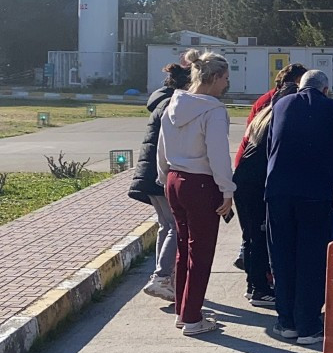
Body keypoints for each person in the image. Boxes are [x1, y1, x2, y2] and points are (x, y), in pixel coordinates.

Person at [265, 70, 333, 345]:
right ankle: (308, 325)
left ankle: (287, 321)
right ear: (325, 90)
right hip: (314, 194)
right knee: (311, 258)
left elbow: (271, 145)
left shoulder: (281, 104)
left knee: (282, 256)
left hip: (278, 192)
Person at [156, 50, 235, 336]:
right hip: (201, 183)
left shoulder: (174, 103)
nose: (226, 84)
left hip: (174, 179)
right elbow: (218, 155)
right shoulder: (213, 110)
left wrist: (164, 176)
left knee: (183, 248)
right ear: (213, 77)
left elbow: (161, 146)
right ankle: (192, 318)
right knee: (200, 253)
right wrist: (227, 190)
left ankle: (183, 309)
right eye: (225, 78)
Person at [231, 63, 307, 278]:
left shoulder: (266, 103)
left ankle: (255, 274)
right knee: (260, 232)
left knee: (253, 232)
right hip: (258, 174)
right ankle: (259, 280)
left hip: (246, 169)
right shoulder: (281, 106)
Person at [127, 62, 192, 302]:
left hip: (150, 175)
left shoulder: (161, 102)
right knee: (174, 226)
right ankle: (162, 277)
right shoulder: (174, 105)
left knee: (166, 226)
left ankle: (163, 278)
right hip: (161, 174)